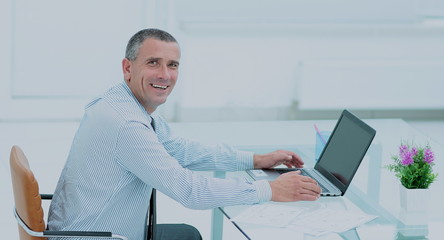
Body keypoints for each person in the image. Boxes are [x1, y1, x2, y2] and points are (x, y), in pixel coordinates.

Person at [47, 28, 321, 240]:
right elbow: (190, 191)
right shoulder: (126, 125)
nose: (165, 74)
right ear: (128, 68)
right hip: (97, 236)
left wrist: (255, 159)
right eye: (153, 62)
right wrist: (270, 189)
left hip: (90, 228)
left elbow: (181, 150)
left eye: (173, 65)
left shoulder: (123, 104)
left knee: (188, 234)